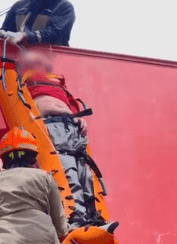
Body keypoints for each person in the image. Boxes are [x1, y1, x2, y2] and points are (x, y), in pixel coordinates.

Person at [19, 50, 118, 233]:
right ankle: (76, 220)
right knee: (68, 173)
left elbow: (68, 106)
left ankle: (94, 220)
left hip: (70, 126)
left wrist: (77, 119)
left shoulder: (58, 85)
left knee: (85, 175)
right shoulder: (24, 81)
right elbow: (27, 107)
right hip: (51, 125)